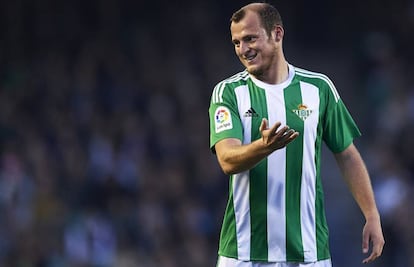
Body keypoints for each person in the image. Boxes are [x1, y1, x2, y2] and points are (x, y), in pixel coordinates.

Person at [208, 2, 385, 267]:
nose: (243, 49)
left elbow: (347, 154)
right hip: (244, 253)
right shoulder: (228, 92)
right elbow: (227, 159)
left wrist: (371, 214)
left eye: (250, 38)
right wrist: (264, 147)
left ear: (277, 34)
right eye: (236, 42)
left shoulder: (319, 88)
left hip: (308, 252)